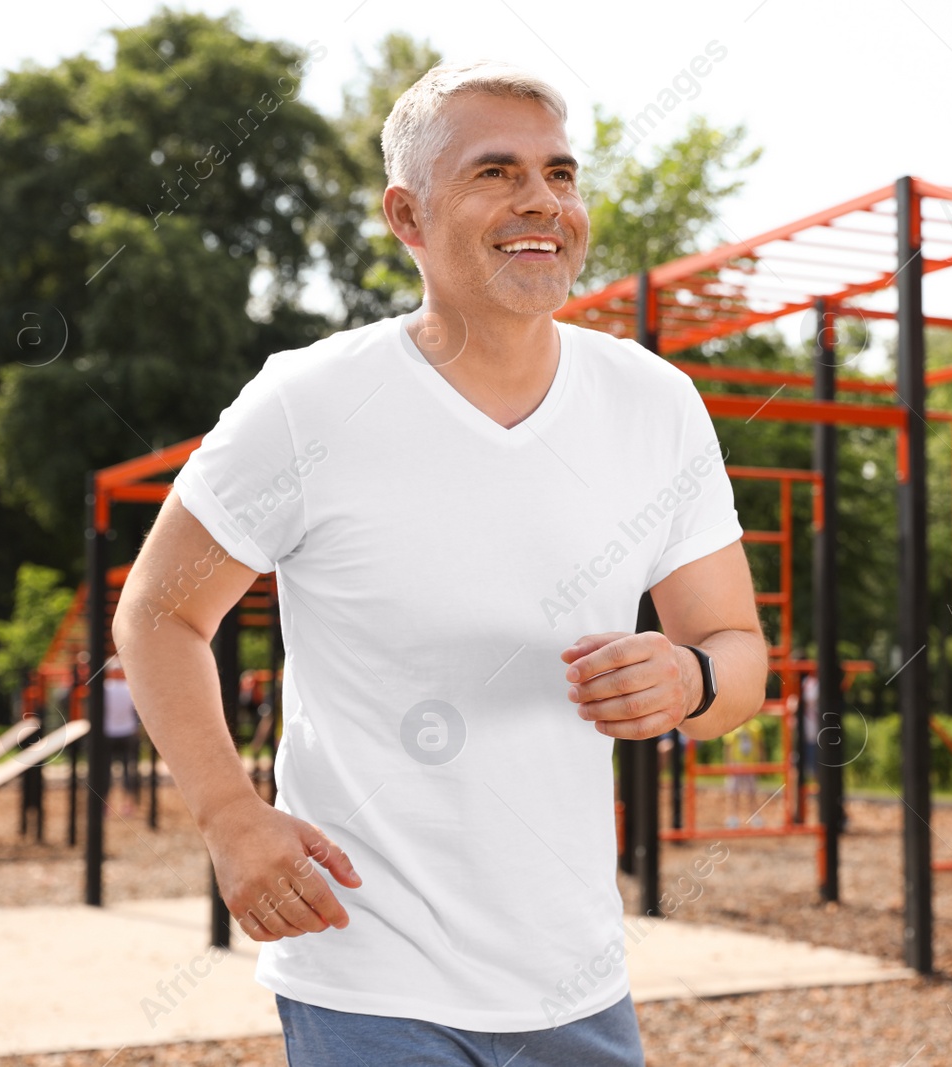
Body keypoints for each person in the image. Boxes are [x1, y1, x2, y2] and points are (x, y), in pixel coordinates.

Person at [113, 60, 768, 1067]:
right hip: (366, 975)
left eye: (559, 172)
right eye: (495, 173)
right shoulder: (308, 402)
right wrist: (230, 814)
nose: (541, 200)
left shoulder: (656, 405)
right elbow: (157, 612)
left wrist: (692, 677)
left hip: (578, 980)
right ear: (408, 217)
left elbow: (737, 654)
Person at [102, 663, 140, 816]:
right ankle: (128, 805)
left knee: (105, 771)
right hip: (128, 733)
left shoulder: (104, 688)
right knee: (128, 770)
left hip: (108, 733)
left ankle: (105, 805)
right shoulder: (129, 688)